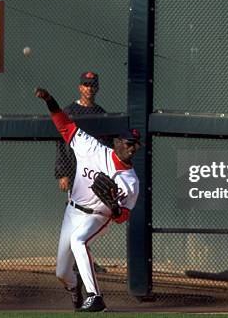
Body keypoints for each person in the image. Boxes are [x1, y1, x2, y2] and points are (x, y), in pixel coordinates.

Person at [35, 87, 140, 312]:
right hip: (73, 211)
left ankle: (96, 297)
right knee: (62, 272)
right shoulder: (91, 148)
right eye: (128, 143)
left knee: (79, 240)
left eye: (135, 145)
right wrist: (50, 100)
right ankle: (75, 288)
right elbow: (65, 125)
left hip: (99, 216)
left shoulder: (131, 182)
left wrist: (115, 208)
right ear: (117, 143)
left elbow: (123, 217)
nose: (131, 148)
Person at [55, 72, 110, 277]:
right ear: (80, 87)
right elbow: (61, 145)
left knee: (90, 218)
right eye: (85, 85)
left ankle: (84, 258)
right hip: (74, 171)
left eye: (92, 85)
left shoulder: (100, 112)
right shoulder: (70, 111)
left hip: (94, 174)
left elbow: (106, 145)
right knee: (77, 218)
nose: (89, 88)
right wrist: (62, 173)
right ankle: (76, 261)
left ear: (97, 88)